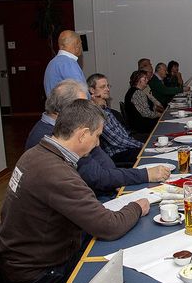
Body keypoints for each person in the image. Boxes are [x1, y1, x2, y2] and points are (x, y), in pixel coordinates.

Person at [0, 100, 150, 283]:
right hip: (36, 274)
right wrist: (137, 206)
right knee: (131, 280)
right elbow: (110, 227)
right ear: (83, 134)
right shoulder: (56, 172)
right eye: (97, 136)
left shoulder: (35, 153)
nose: (98, 143)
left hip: (19, 260)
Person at [26, 80, 170, 200]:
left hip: (109, 185)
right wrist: (144, 174)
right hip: (95, 198)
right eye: (83, 106)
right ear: (67, 110)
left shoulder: (66, 127)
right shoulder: (58, 137)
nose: (89, 110)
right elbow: (96, 177)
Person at [87, 73, 143, 164]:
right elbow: (117, 141)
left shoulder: (105, 108)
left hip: (126, 147)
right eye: (102, 87)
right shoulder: (96, 113)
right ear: (92, 90)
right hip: (118, 154)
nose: (107, 89)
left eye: (108, 86)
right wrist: (143, 146)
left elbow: (123, 134)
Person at [43, 30, 85, 95]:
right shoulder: (68, 63)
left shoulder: (52, 63)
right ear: (77, 44)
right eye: (80, 43)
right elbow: (80, 91)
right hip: (70, 105)